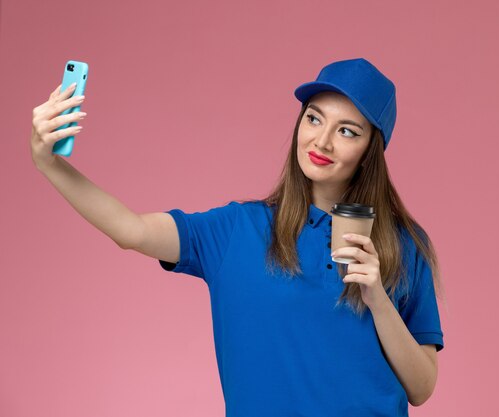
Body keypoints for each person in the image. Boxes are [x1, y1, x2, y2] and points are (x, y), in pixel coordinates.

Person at [30, 57, 446, 416]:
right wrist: (48, 163)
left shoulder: (402, 245)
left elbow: (421, 387)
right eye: (314, 118)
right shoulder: (237, 231)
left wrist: (377, 298)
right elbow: (130, 230)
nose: (321, 140)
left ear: (370, 150)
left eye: (347, 131)